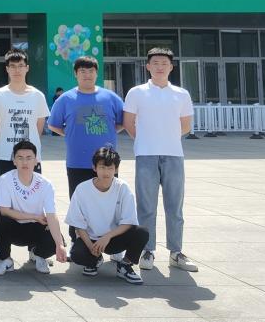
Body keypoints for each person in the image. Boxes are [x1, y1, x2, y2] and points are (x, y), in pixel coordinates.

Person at [123, 47, 198, 272]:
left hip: (174, 155)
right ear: (148, 66)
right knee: (146, 207)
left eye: (164, 63)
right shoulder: (136, 92)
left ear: (171, 67)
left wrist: (166, 139)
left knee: (175, 207)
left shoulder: (181, 94)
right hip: (145, 154)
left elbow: (186, 126)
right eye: (155, 63)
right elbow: (128, 123)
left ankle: (176, 252)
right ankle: (147, 250)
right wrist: (146, 139)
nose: (159, 67)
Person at [48, 56, 124, 243]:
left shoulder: (111, 97)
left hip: (107, 162)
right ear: (75, 74)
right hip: (78, 161)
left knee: (110, 202)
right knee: (78, 202)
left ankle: (110, 239)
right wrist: (70, 133)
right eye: (82, 71)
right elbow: (53, 125)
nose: (87, 75)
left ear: (97, 73)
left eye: (91, 71)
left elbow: (123, 122)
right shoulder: (66, 99)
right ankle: (78, 241)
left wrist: (109, 133)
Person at [65, 147, 148, 285]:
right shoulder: (82, 189)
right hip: (91, 239)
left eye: (110, 168)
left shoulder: (123, 188)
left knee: (142, 232)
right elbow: (78, 224)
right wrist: (90, 246)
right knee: (77, 255)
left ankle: (125, 265)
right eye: (102, 167)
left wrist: (107, 237)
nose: (106, 172)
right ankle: (94, 261)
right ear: (94, 168)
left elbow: (129, 221)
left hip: (113, 238)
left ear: (116, 169)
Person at [0, 141, 67, 276]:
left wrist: (60, 245)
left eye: (29, 158)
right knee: (0, 220)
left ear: (36, 160)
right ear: (14, 161)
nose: (24, 162)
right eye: (20, 158)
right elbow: (4, 211)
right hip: (13, 227)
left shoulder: (46, 184)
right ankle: (5, 259)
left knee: (56, 238)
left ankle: (39, 255)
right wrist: (34, 216)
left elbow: (51, 215)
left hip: (35, 228)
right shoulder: (5, 179)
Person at [0, 49, 49, 184]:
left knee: (32, 192)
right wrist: (5, 142)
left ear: (27, 68)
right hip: (5, 155)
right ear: (7, 69)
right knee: (4, 193)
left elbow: (38, 128)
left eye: (20, 66)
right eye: (13, 66)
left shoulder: (38, 96)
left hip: (31, 156)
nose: (17, 70)